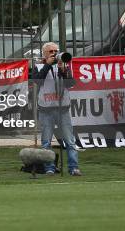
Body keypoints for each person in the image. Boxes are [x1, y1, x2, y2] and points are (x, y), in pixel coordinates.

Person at [33, 42, 81, 176]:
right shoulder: (39, 66)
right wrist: (48, 65)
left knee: (70, 141)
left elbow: (70, 83)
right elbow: (37, 81)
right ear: (44, 53)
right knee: (46, 142)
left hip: (63, 108)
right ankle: (49, 168)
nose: (54, 53)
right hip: (46, 109)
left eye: (56, 51)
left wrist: (63, 71)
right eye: (51, 51)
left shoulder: (64, 64)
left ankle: (74, 168)